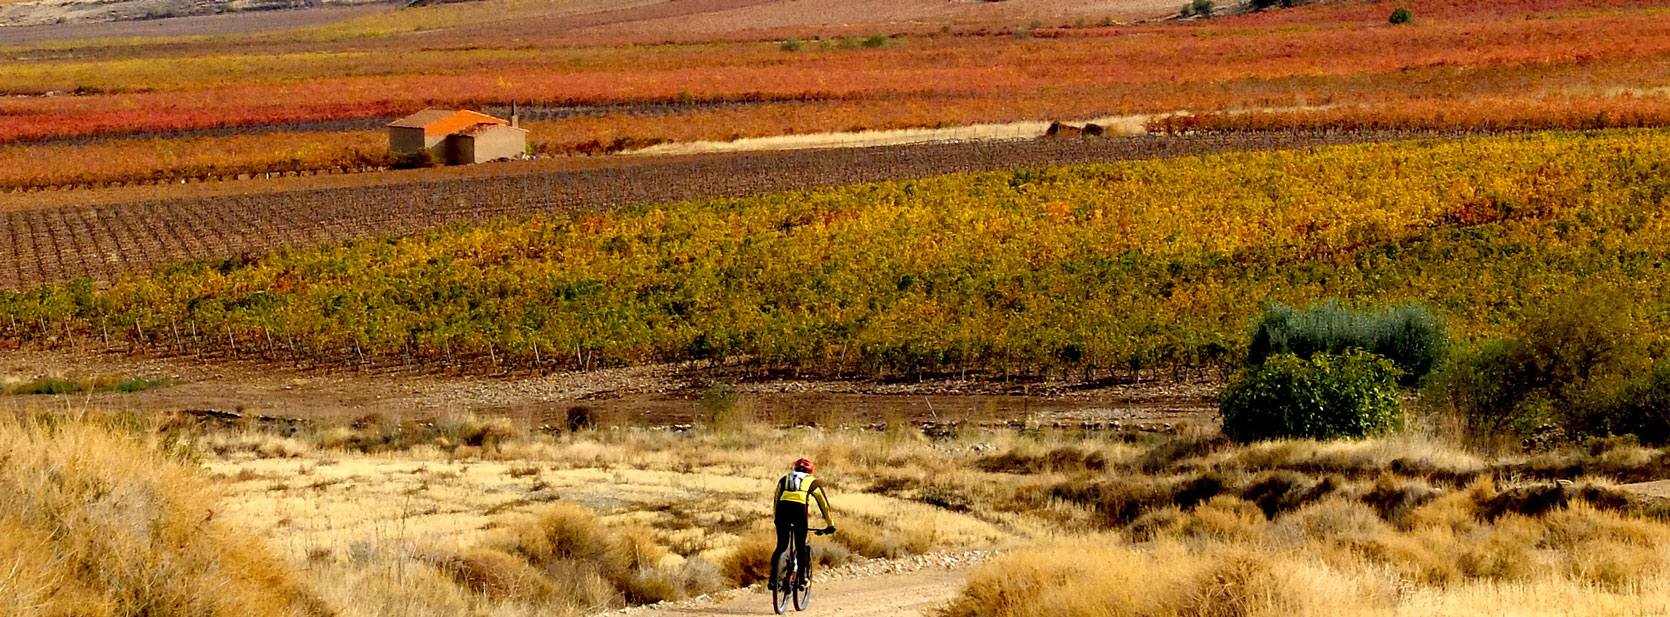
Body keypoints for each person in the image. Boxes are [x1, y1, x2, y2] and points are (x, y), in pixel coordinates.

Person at [769, 457, 834, 591]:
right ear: (810, 471)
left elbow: (776, 499)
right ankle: (803, 579)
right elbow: (824, 504)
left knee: (781, 545)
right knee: (800, 546)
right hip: (799, 510)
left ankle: (773, 579)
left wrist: (776, 518)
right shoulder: (812, 482)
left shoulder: (784, 479)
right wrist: (830, 524)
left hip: (782, 510)